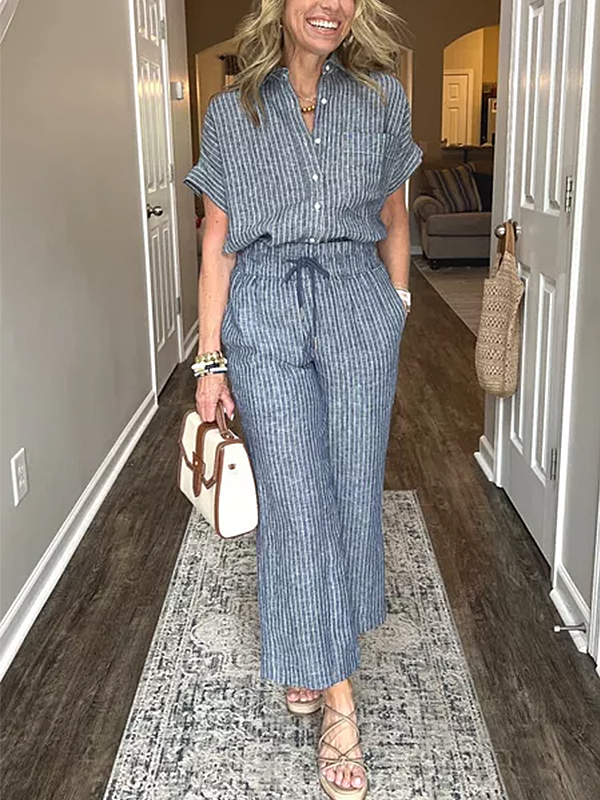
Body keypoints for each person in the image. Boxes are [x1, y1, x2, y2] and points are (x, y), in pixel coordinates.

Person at [183, 1, 422, 797]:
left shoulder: (382, 99)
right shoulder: (232, 112)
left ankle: (310, 652)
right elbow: (217, 240)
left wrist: (395, 306)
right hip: (266, 311)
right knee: (295, 499)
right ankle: (339, 698)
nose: (329, 5)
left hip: (358, 305)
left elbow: (393, 214)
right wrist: (209, 361)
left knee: (351, 491)